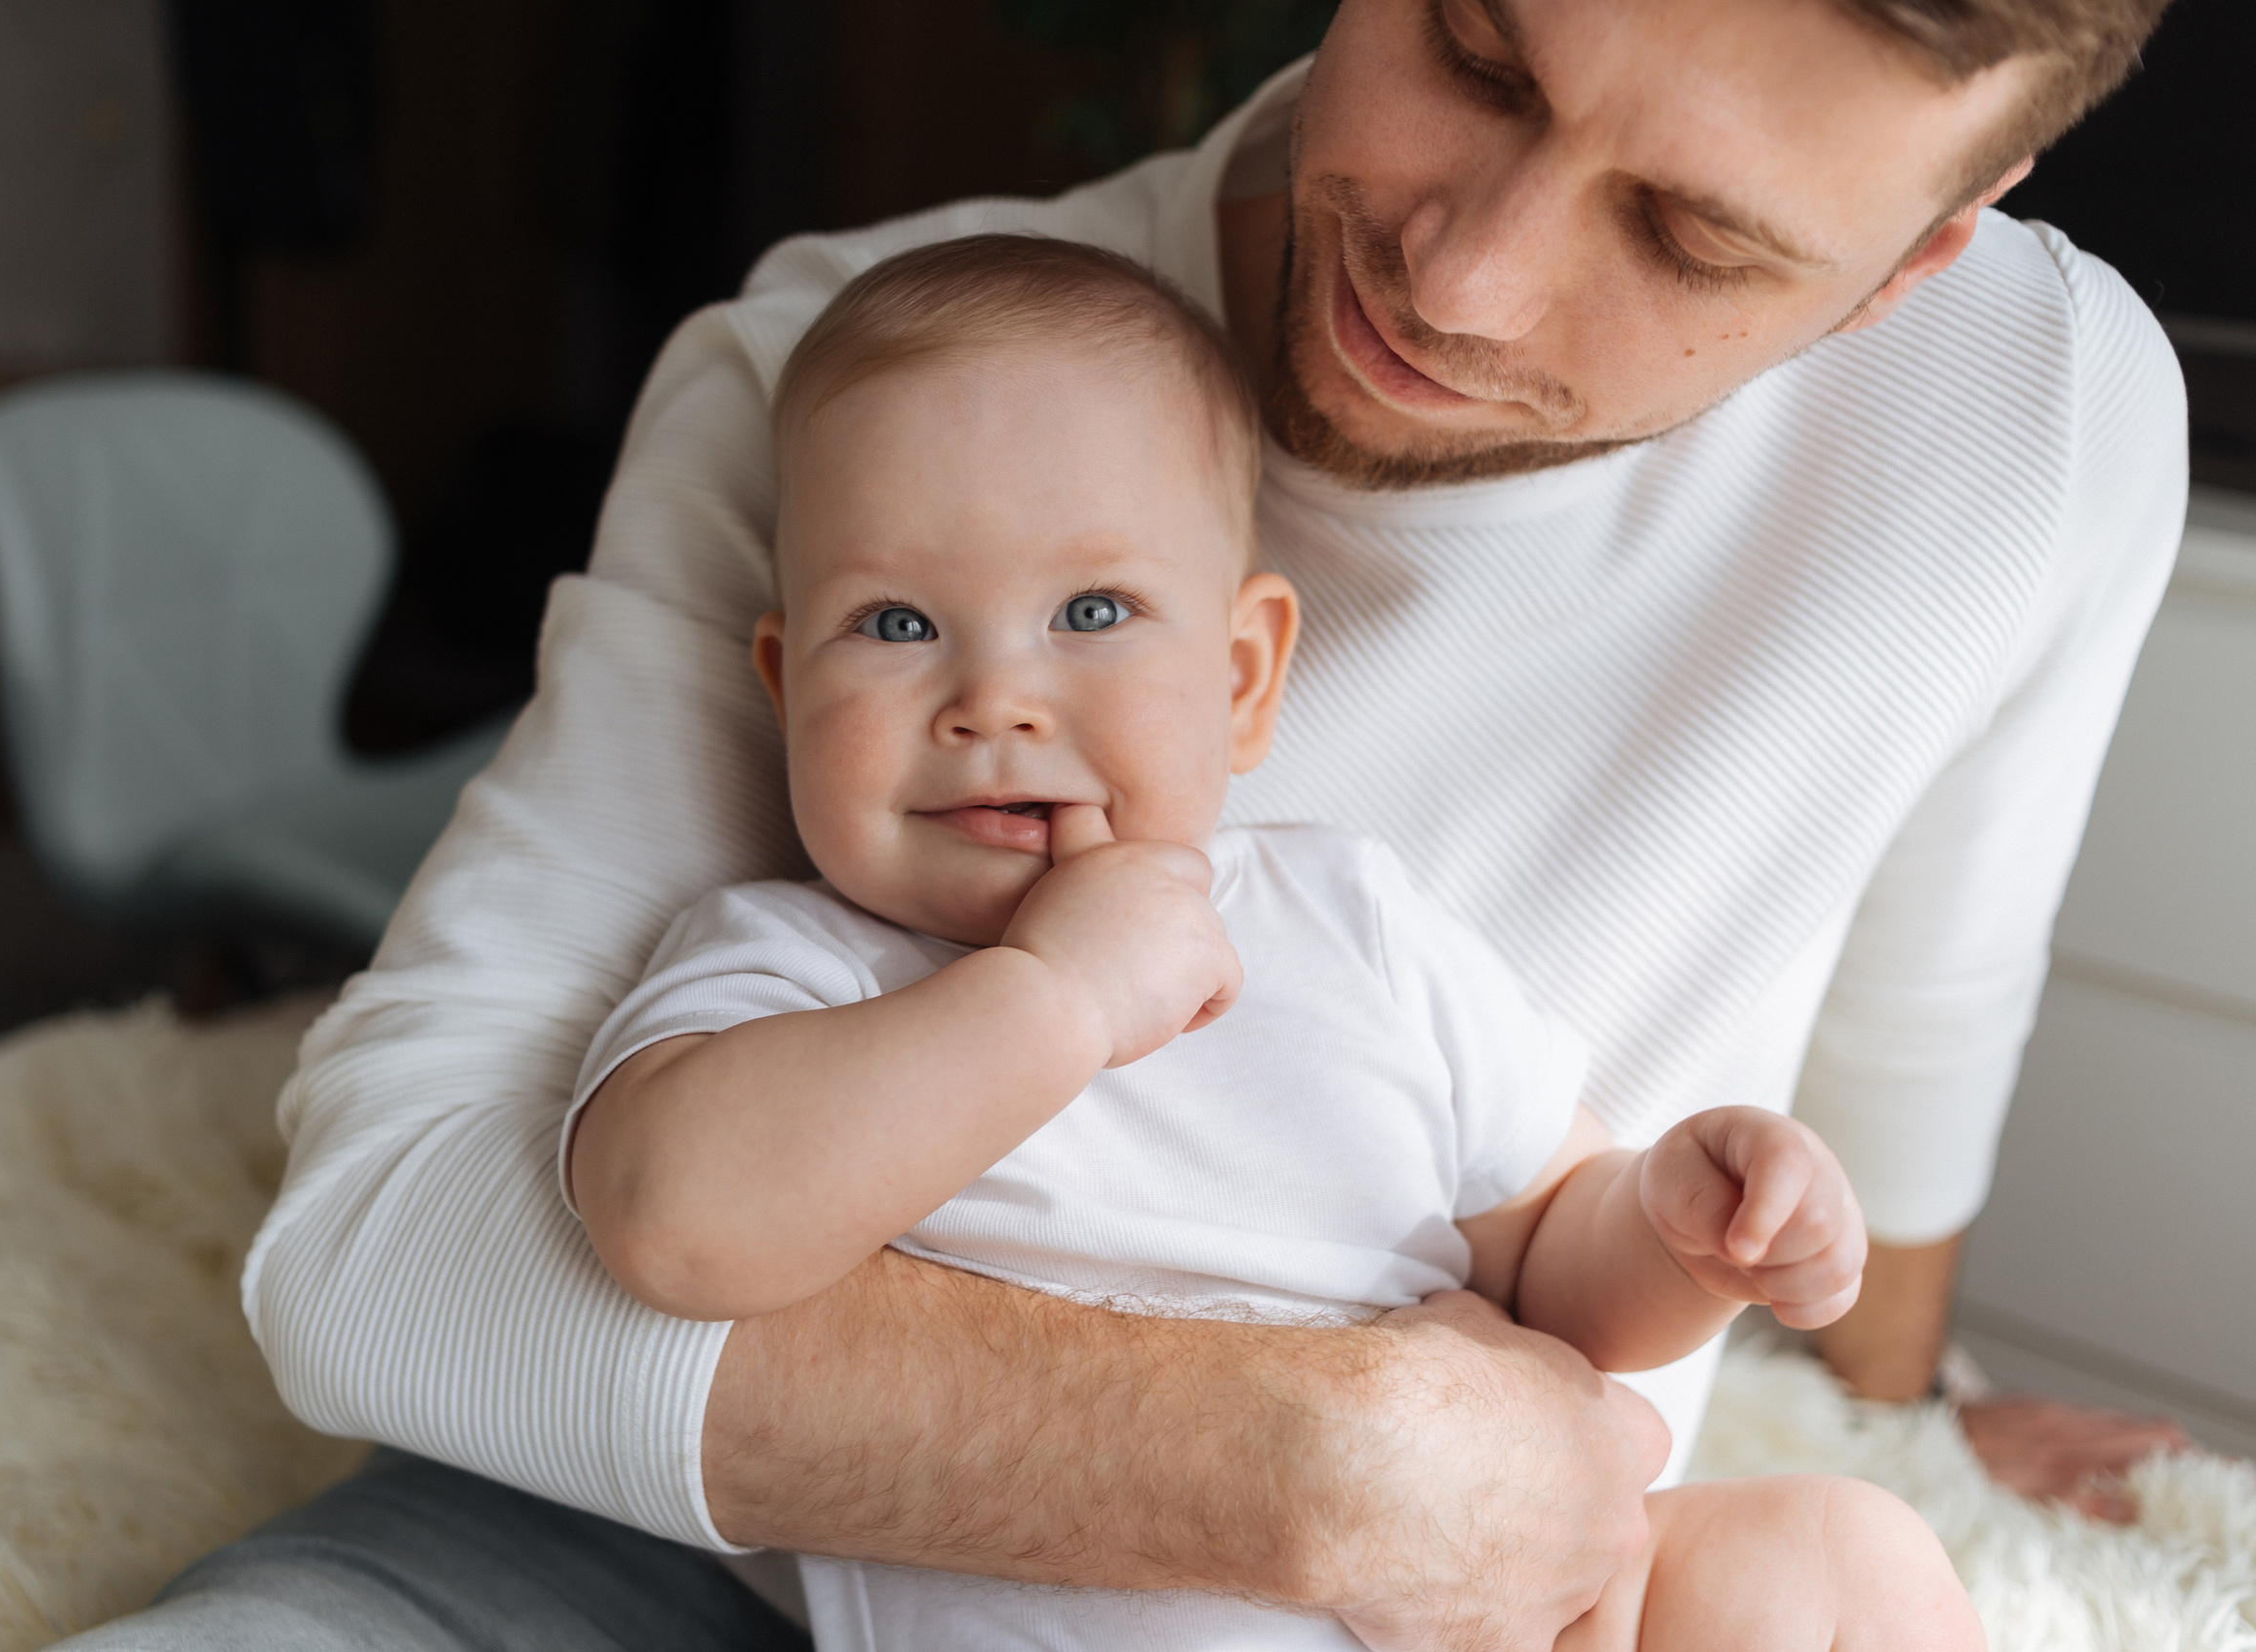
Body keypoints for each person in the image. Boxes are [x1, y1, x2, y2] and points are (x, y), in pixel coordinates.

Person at [54, 1, 2191, 1648]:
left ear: (1919, 254)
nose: (1458, 281)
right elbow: (388, 1254)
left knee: (1843, 1559)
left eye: (1685, 234)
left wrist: (1875, 1377)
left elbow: (1907, 1018)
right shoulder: (849, 384)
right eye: (1469, 49)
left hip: (1495, 1575)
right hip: (728, 1546)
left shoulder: (2036, 424)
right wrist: (1283, 1455)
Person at [572, 230, 1984, 1652]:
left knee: (1840, 1561)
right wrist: (1055, 995)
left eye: (1093, 611)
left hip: (1515, 1606)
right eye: (893, 622)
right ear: (781, 681)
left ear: (1241, 679)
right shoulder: (795, 971)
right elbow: (671, 1224)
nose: (993, 697)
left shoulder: (1346, 919)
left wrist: (1681, 1231)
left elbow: (1550, 1257)